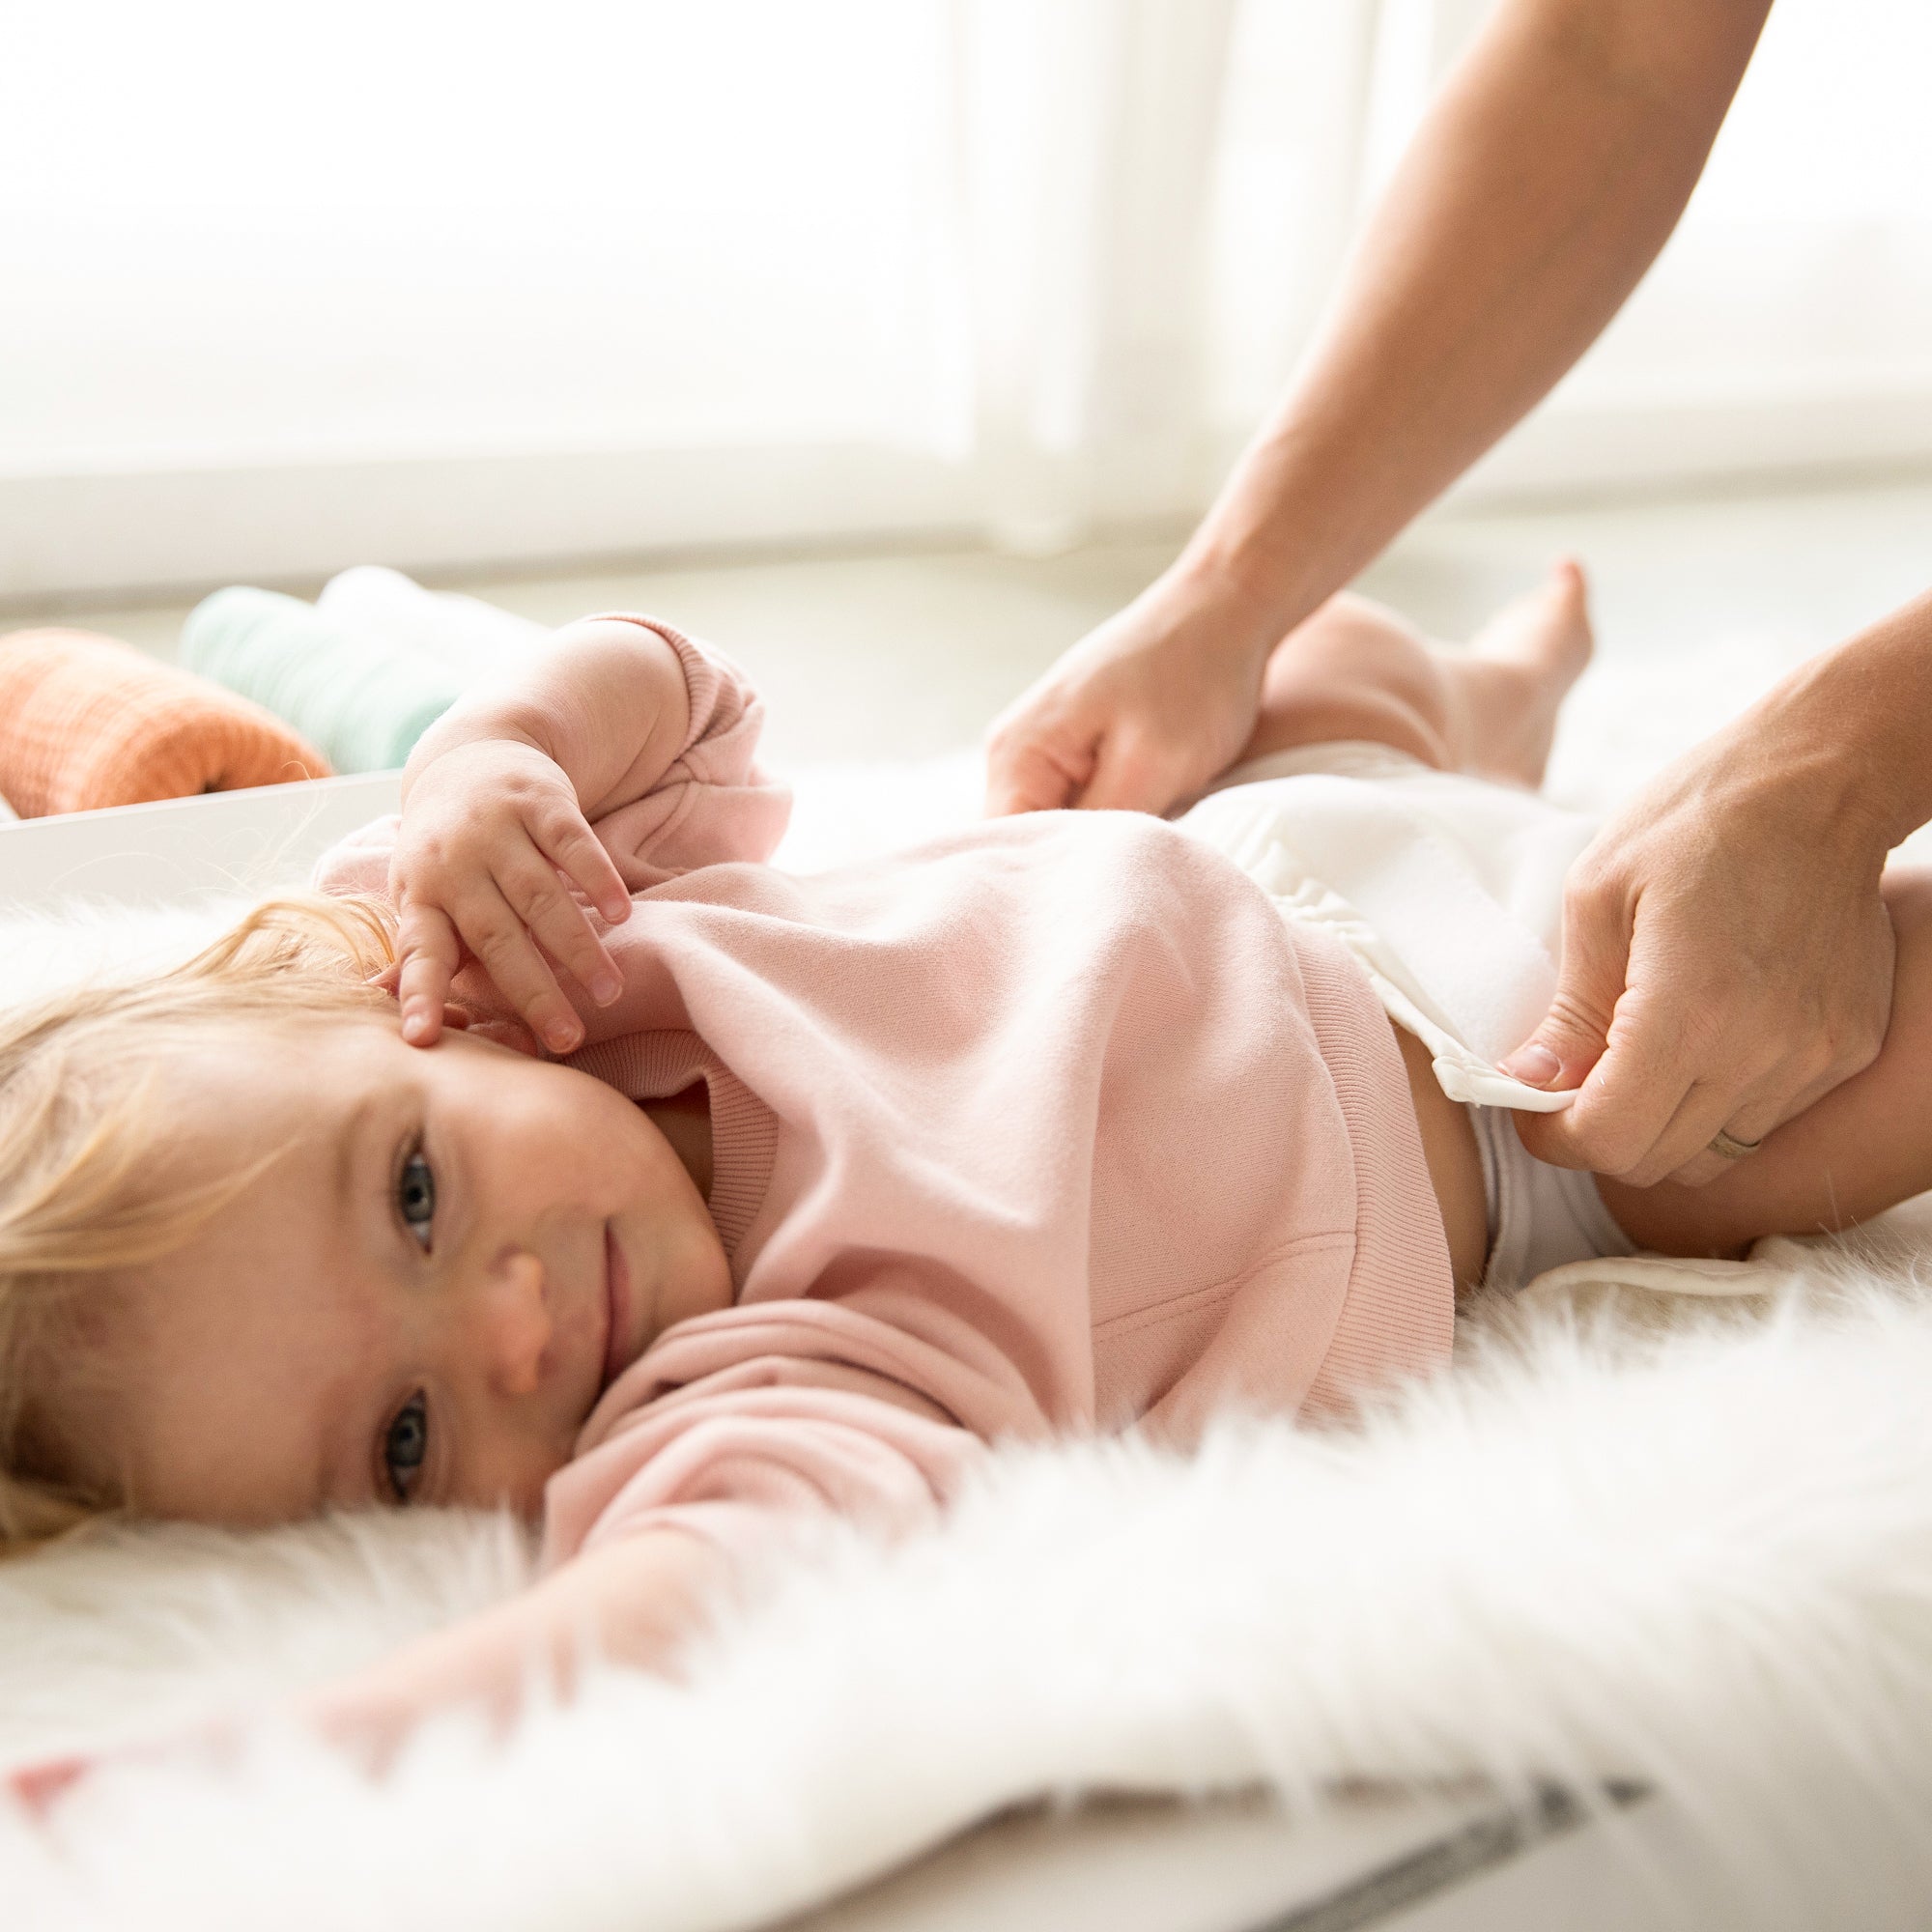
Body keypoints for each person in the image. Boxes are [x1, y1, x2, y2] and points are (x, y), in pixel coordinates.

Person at [10, 587, 1932, 1786]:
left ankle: (1471, 692)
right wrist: (226, 1766)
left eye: (417, 1202)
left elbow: (681, 694)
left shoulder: (537, 956)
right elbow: (659, 1625)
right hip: (1537, 1101)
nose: (512, 1324)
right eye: (408, 1437)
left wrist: (491, 748)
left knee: (1330, 667)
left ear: (375, 1004)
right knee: (1858, 1047)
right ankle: (1470, 724)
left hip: (1241, 850)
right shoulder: (776, 1385)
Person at [984, 0, 1932, 1194]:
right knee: (1303, 648)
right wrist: (1225, 595)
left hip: (1554, 1119)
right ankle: (1476, 711)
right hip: (1265, 831)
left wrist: (1849, 763)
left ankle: (1465, 726)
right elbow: (1612, 52)